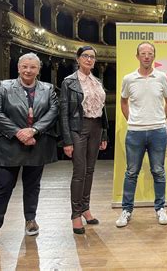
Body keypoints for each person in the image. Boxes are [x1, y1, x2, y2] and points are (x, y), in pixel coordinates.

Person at [0, 53, 58, 246]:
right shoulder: (4, 87)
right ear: (18, 68)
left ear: (38, 69)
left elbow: (53, 112)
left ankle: (30, 220)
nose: (28, 70)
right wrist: (19, 133)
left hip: (36, 144)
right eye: (24, 66)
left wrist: (33, 131)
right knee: (3, 187)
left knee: (33, 186)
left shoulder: (48, 89)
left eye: (32, 67)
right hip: (8, 145)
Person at [116, 42, 167, 227]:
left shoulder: (162, 77)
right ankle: (126, 210)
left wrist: (160, 119)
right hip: (135, 132)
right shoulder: (128, 79)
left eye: (150, 53)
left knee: (158, 171)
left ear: (154, 56)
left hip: (158, 131)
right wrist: (131, 119)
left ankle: (160, 209)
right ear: (137, 56)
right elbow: (123, 101)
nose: (146, 56)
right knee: (131, 172)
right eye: (143, 53)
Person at [60, 46, 108, 235]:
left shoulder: (97, 81)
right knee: (79, 172)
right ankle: (75, 215)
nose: (89, 59)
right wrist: (67, 140)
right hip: (78, 128)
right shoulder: (69, 82)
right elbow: (63, 112)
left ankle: (86, 208)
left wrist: (104, 133)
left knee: (90, 170)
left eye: (92, 57)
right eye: (85, 56)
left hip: (96, 127)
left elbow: (102, 109)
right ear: (78, 59)